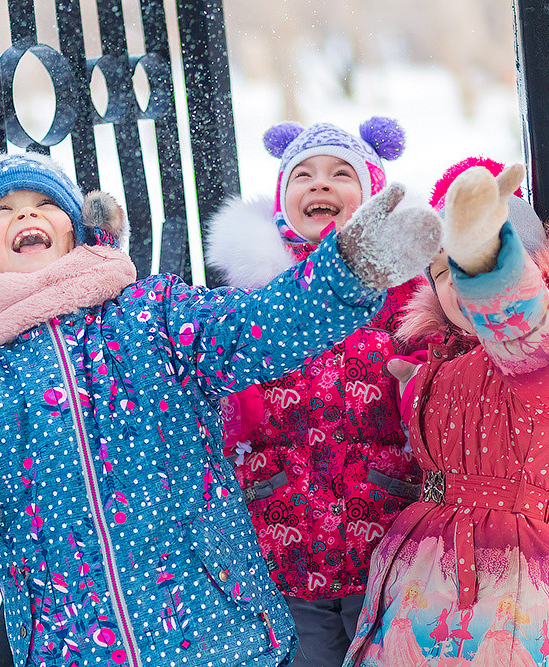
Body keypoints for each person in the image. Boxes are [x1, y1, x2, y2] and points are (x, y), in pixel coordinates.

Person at [0, 151, 443, 667]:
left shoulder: (152, 314)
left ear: (74, 231)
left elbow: (257, 328)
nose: (25, 217)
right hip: (76, 645)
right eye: (4, 214)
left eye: (42, 207)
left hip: (216, 630)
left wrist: (348, 267)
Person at [343, 162, 549, 666]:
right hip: (420, 567)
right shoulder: (443, 361)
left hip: (502, 579)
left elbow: (528, 334)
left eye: (476, 268)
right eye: (446, 273)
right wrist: (414, 389)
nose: (461, 285)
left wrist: (496, 278)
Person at [203, 118, 424, 666]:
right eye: (303, 174)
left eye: (340, 174)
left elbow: (435, 379)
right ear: (282, 201)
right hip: (282, 529)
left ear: (374, 195)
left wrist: (418, 382)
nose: (320, 184)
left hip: (385, 527)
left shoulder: (406, 296)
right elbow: (219, 381)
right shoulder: (256, 298)